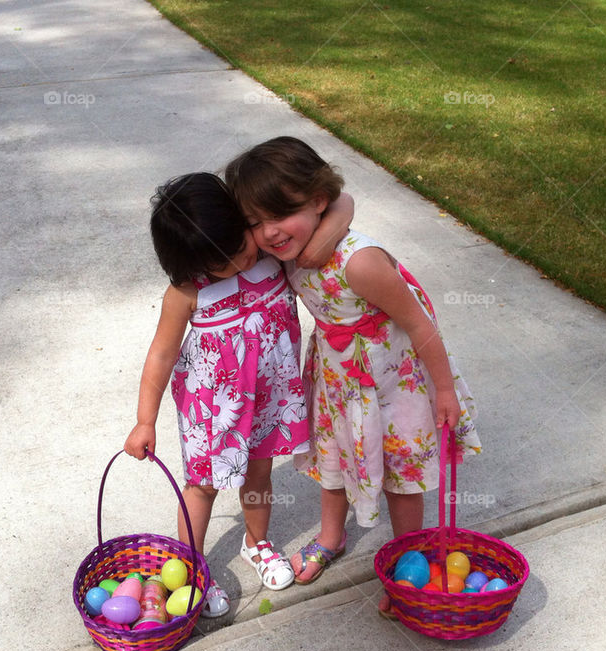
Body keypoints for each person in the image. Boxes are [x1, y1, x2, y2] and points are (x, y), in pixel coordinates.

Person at [225, 137, 481, 615]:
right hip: (338, 380)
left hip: (392, 385)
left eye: (280, 214)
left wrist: (445, 390)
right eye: (256, 223)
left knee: (401, 477)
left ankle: (411, 566)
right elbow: (336, 201)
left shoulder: (360, 262)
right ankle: (330, 537)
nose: (270, 232)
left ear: (317, 201)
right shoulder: (288, 250)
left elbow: (421, 325)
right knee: (333, 459)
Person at [124, 171, 352, 617]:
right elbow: (161, 353)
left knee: (260, 474)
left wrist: (341, 206)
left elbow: (339, 207)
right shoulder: (188, 291)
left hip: (268, 398)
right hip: (215, 410)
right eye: (222, 261)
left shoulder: (271, 253)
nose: (239, 262)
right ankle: (189, 569)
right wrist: (144, 419)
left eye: (239, 247)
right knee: (202, 486)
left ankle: (256, 542)